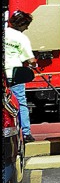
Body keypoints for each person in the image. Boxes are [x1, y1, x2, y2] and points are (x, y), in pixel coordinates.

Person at [5, 10, 38, 141]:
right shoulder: (21, 38)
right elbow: (31, 60)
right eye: (26, 25)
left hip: (3, 75)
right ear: (21, 25)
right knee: (20, 103)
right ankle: (26, 133)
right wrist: (34, 64)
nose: (27, 28)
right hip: (15, 75)